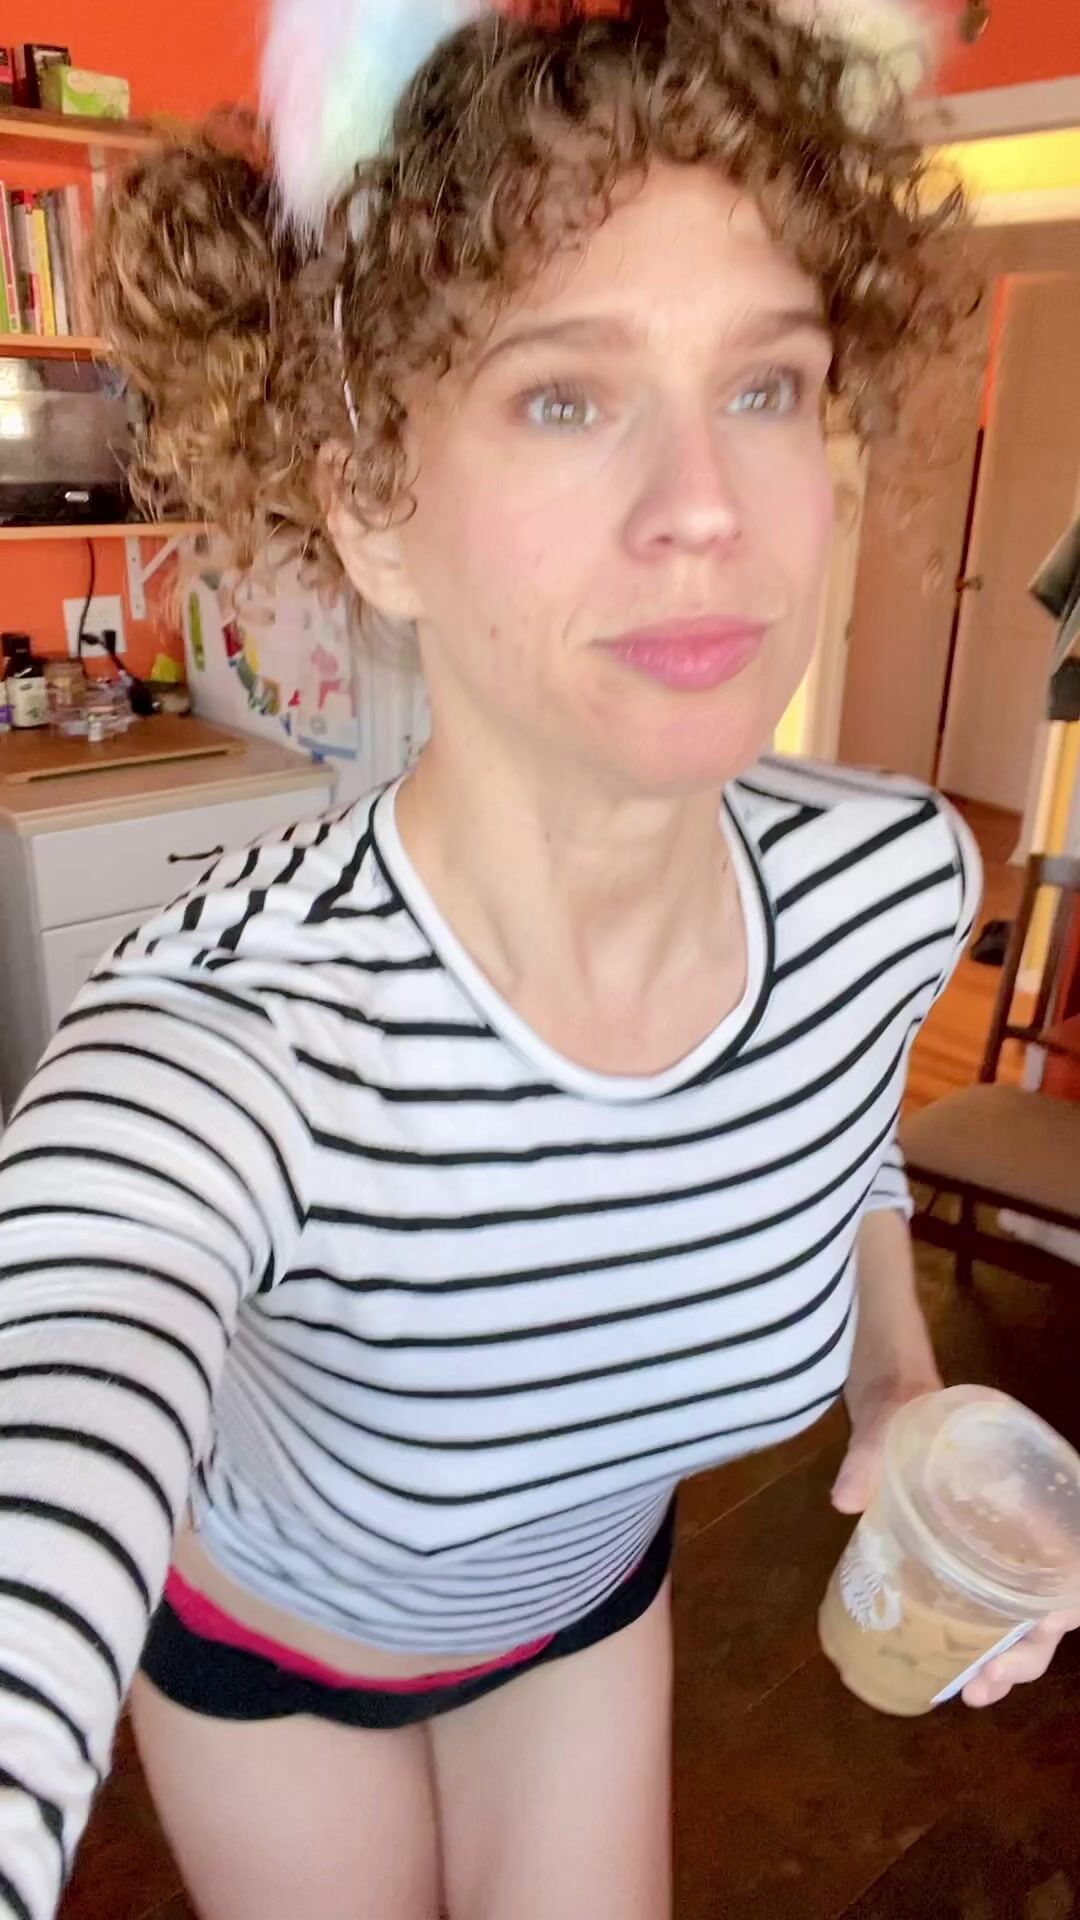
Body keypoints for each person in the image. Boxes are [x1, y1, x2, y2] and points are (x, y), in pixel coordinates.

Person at [0, 2, 1076, 1916]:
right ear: (370, 503)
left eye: (767, 384)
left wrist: (899, 1385)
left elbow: (837, 1146)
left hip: (581, 1609)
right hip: (276, 1657)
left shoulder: (895, 884)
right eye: (566, 396)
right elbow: (68, 1344)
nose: (706, 507)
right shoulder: (228, 1034)